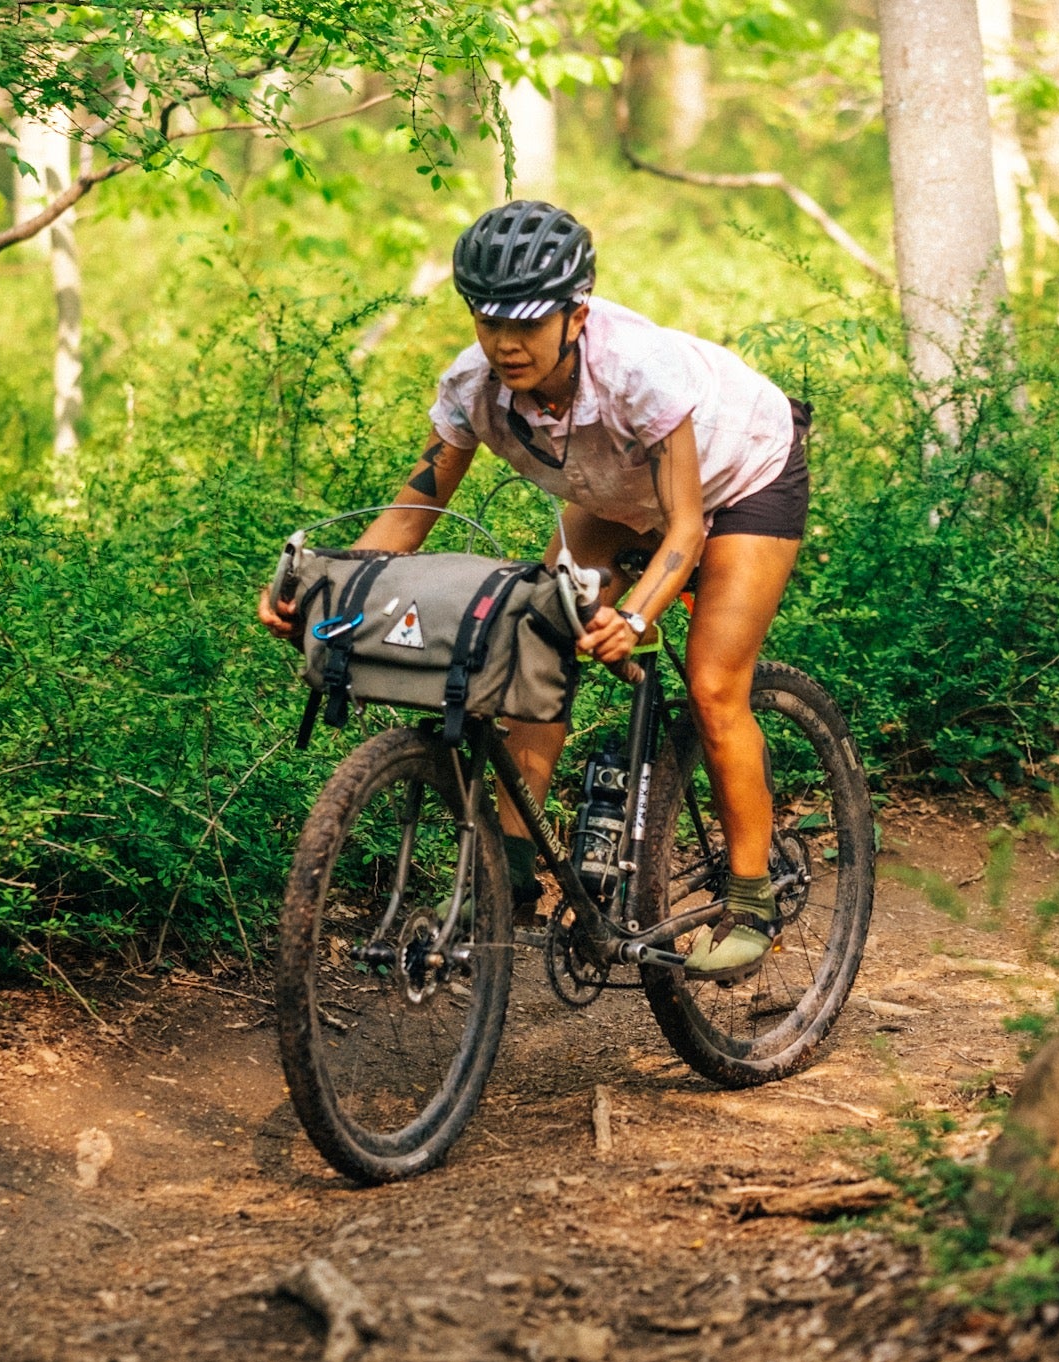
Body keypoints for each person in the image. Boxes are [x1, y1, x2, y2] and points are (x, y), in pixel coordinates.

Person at [260, 201, 810, 981]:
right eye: (489, 321)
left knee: (715, 684)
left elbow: (686, 529)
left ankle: (753, 900)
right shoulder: (472, 386)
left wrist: (634, 612)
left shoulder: (636, 374)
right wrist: (319, 589)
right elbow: (412, 515)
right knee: (536, 630)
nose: (506, 343)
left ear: (576, 314)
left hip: (742, 473)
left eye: (527, 323)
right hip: (620, 490)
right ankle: (511, 868)